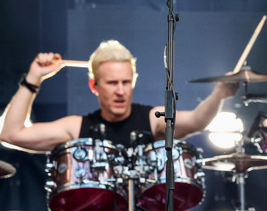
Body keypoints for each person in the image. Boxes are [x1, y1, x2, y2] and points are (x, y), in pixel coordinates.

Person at [0, 39, 237, 151]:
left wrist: (219, 94)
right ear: (95, 86)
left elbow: (197, 121)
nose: (121, 91)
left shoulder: (154, 117)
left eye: (126, 82)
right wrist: (33, 79)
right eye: (112, 83)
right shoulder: (76, 128)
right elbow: (11, 134)